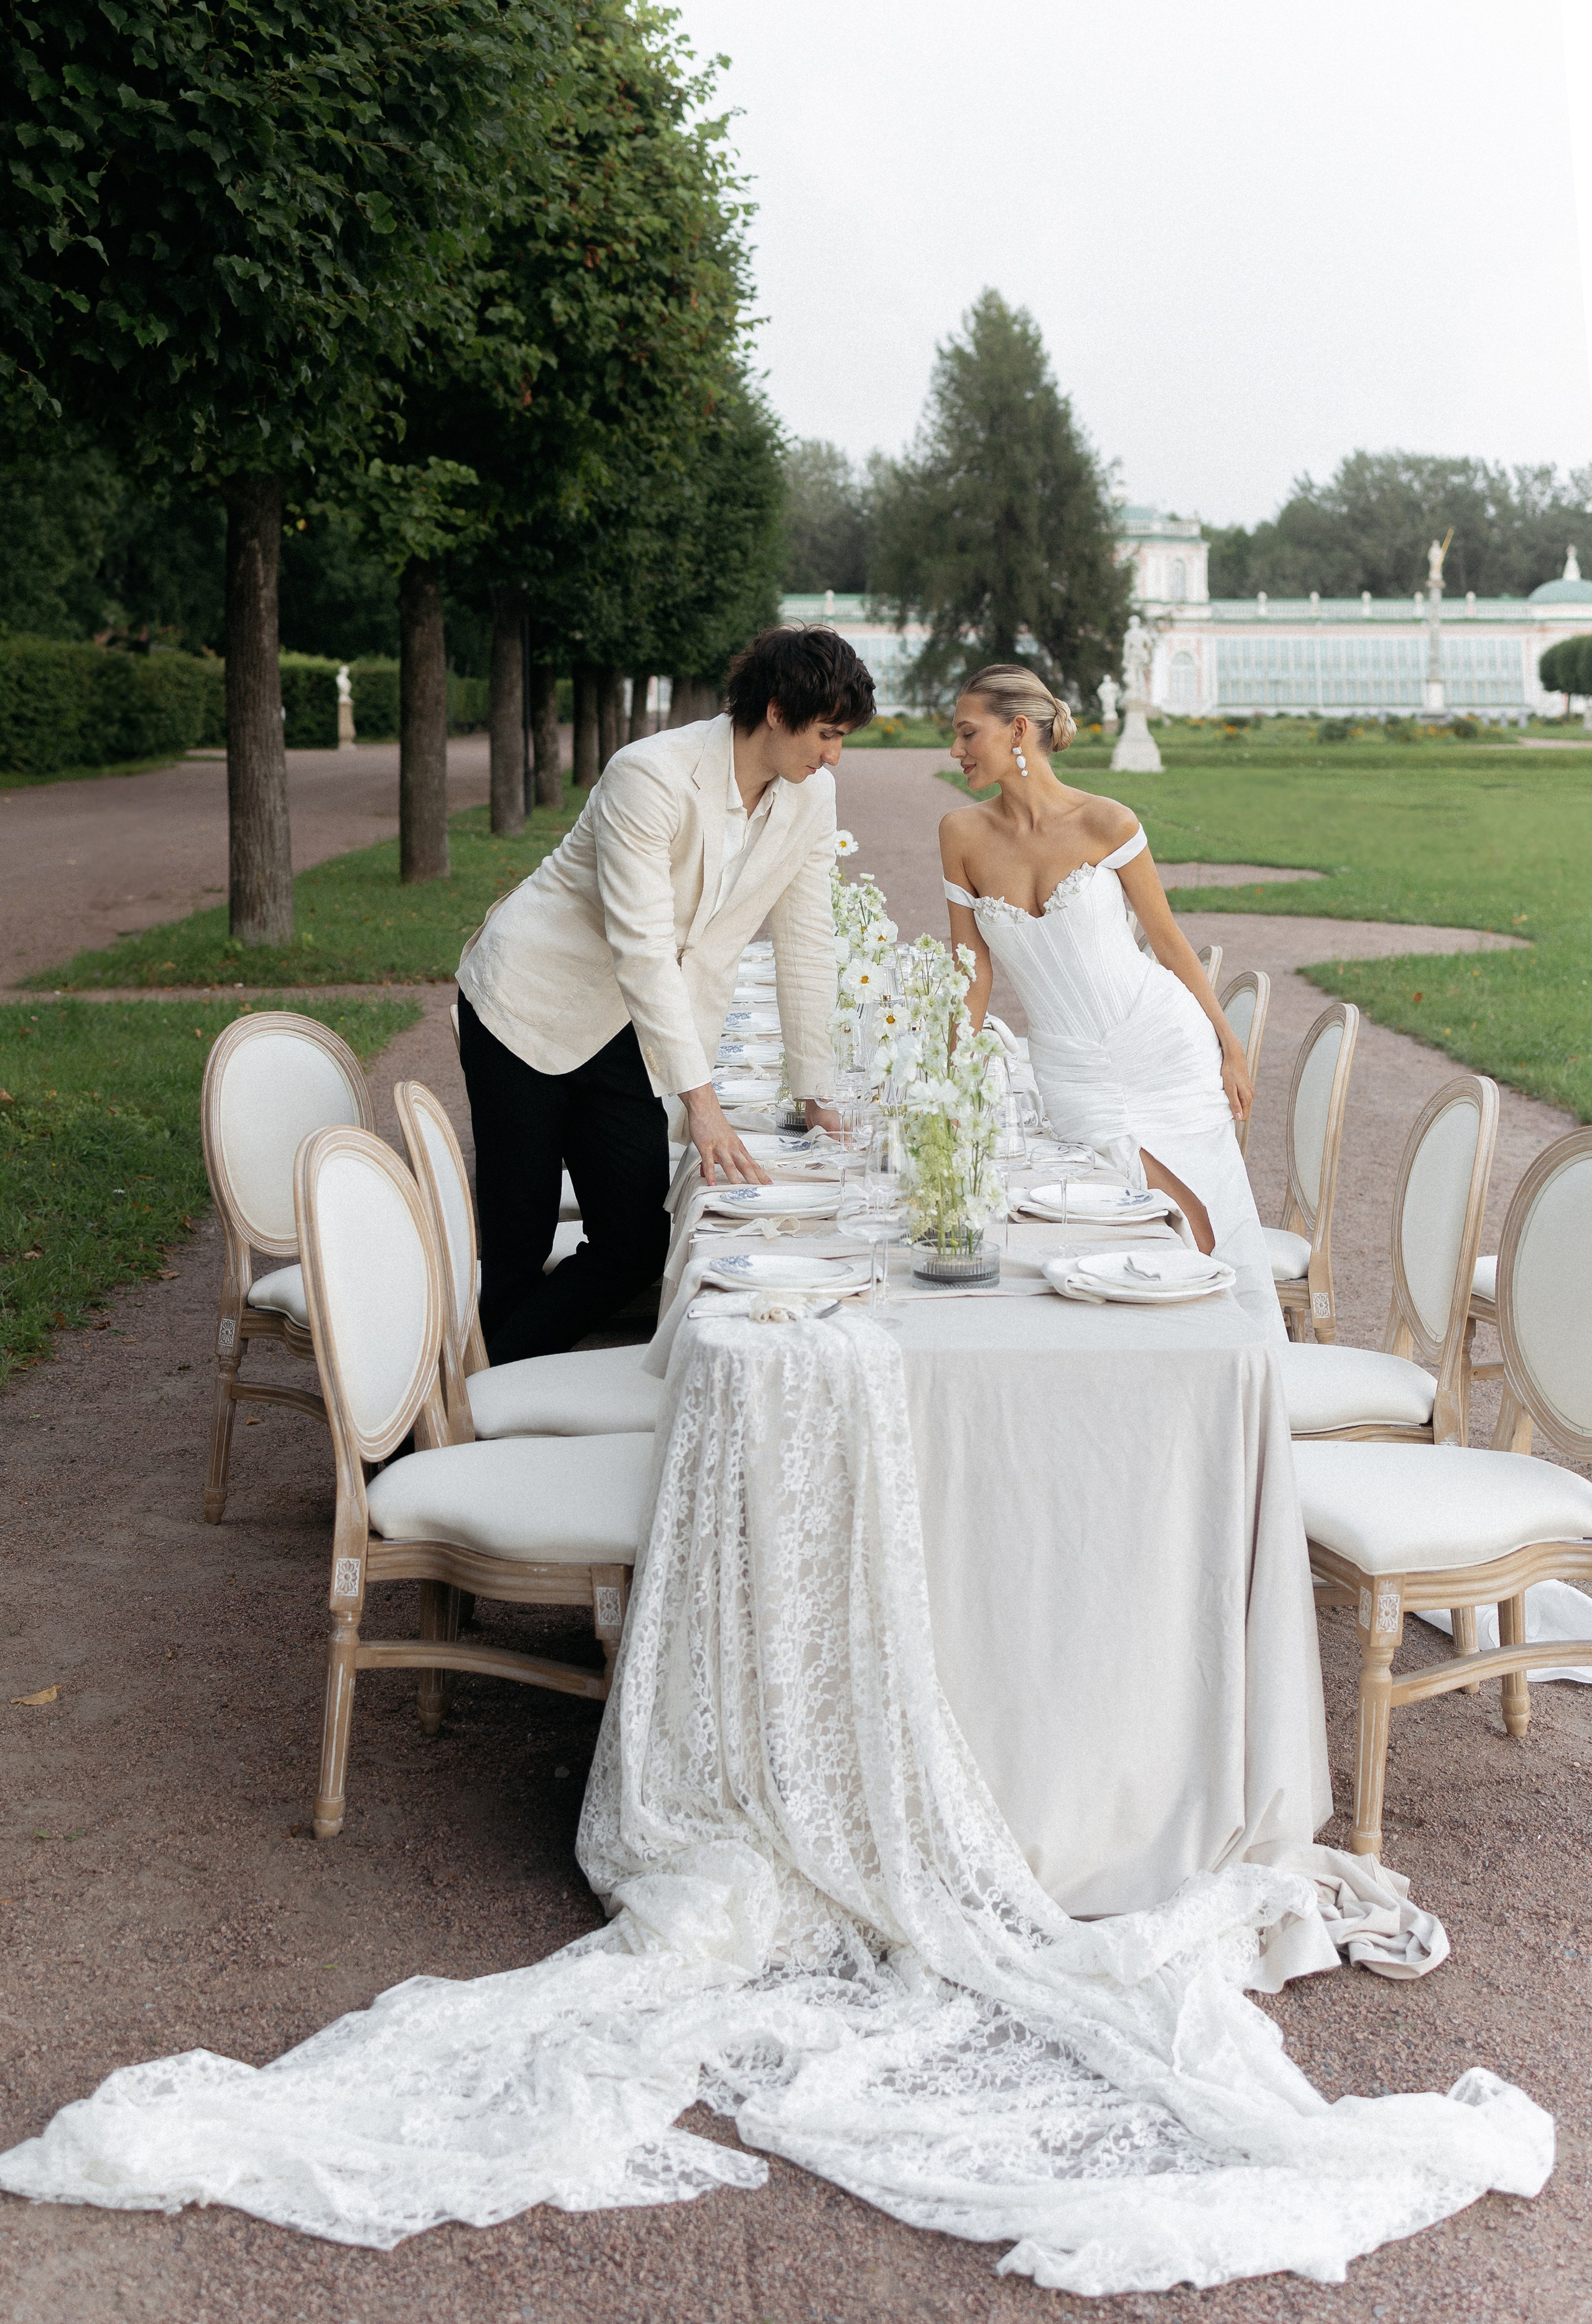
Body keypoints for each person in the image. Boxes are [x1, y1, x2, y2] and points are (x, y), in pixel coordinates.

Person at [455, 627, 876, 1363]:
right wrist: (703, 1108)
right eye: (827, 733)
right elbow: (643, 948)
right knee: (516, 1244)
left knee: (636, 1242)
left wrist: (815, 1093)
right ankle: (442, 1427)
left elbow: (807, 943)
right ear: (776, 711)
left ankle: (473, 1384)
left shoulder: (813, 797)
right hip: (529, 1005)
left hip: (635, 1027)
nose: (833, 754)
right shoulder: (649, 773)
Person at [938, 662, 1282, 1338]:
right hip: (1070, 1069)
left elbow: (1167, 941)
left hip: (1162, 1046)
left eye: (965, 732)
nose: (955, 750)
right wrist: (950, 1081)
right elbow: (969, 968)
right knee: (1121, 1224)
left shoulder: (1107, 821)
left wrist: (1228, 1043)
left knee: (1205, 1223)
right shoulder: (960, 834)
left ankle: (1238, 1361)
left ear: (1017, 730)